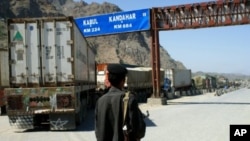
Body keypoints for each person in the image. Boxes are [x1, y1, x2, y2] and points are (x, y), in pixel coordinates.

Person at [95, 64, 145, 141]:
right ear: (123, 81)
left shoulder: (100, 101)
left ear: (109, 80)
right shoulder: (129, 99)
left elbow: (98, 132)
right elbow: (139, 131)